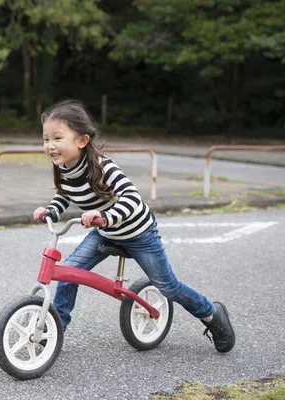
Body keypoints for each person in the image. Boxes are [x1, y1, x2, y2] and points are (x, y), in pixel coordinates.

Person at [32, 100, 235, 353]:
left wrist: (105, 216)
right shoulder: (64, 168)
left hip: (139, 234)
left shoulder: (104, 168)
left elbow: (132, 199)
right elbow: (65, 194)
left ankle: (212, 314)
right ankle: (55, 328)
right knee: (68, 273)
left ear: (82, 141)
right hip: (106, 233)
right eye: (45, 139)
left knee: (167, 286)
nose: (50, 145)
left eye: (57, 138)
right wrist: (51, 210)